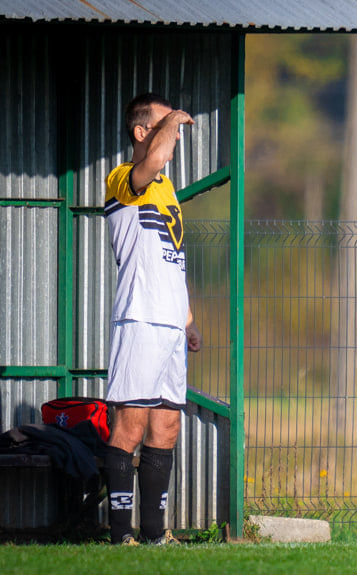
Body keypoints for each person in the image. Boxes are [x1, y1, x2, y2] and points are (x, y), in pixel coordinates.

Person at [103, 92, 202, 545]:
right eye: (166, 127)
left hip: (169, 325)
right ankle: (120, 534)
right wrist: (174, 121)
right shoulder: (125, 177)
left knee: (167, 425)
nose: (175, 137)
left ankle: (154, 535)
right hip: (139, 320)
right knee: (132, 424)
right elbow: (156, 155)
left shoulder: (167, 190)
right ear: (142, 132)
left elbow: (173, 258)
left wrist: (187, 319)